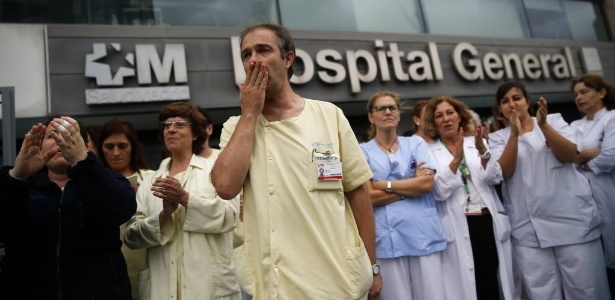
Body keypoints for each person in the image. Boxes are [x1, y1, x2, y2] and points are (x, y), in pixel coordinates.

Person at [211, 23, 381, 299]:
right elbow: (225, 187)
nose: (253, 59)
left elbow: (358, 193)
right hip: (275, 283)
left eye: (263, 50)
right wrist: (250, 113)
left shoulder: (329, 115)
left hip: (337, 278)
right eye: (246, 54)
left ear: (288, 58)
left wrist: (371, 265)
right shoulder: (236, 127)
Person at [488, 81, 610, 299]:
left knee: (586, 290)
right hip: (528, 229)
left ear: (528, 101)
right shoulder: (498, 138)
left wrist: (544, 126)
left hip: (571, 221)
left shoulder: (553, 121)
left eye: (516, 98)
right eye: (505, 101)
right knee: (542, 293)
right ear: (500, 109)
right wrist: (514, 134)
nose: (512, 104)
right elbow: (505, 171)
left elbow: (571, 155)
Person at [0, 116, 135, 299]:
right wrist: (17, 176)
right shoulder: (18, 185)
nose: (60, 141)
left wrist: (84, 165)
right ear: (40, 145)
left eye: (69, 135)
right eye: (53, 136)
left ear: (85, 148)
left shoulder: (109, 180)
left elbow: (121, 210)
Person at [124, 102, 241, 300]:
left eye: (179, 124)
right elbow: (131, 236)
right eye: (166, 125)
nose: (171, 129)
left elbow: (230, 217)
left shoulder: (215, 170)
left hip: (209, 289)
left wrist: (185, 199)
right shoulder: (149, 183)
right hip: (162, 288)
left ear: (195, 133)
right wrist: (164, 216)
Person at [422, 96, 514, 300]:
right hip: (458, 223)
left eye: (450, 113)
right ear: (434, 122)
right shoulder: (428, 151)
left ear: (459, 116)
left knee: (490, 278)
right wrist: (456, 161)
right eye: (439, 115)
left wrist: (483, 152)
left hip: (486, 219)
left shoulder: (476, 143)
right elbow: (437, 191)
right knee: (465, 285)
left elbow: (495, 176)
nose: (446, 118)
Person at [360, 91, 446, 300]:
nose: (388, 112)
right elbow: (368, 196)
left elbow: (426, 183)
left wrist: (383, 184)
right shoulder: (362, 151)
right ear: (371, 116)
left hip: (423, 235)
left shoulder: (415, 144)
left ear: (399, 115)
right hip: (388, 240)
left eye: (392, 107)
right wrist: (410, 186)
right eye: (381, 108)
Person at [98, 117, 154, 300]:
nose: (115, 153)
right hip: (106, 272)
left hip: (147, 267)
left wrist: (143, 194)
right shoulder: (91, 182)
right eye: (109, 146)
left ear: (133, 148)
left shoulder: (151, 179)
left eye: (122, 146)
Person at [569, 73, 615, 297]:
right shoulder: (574, 125)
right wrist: (591, 152)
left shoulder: (612, 118)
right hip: (584, 203)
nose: (579, 97)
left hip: (609, 193)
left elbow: (610, 156)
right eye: (576, 94)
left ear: (602, 92)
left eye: (584, 91)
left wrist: (583, 159)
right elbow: (568, 157)